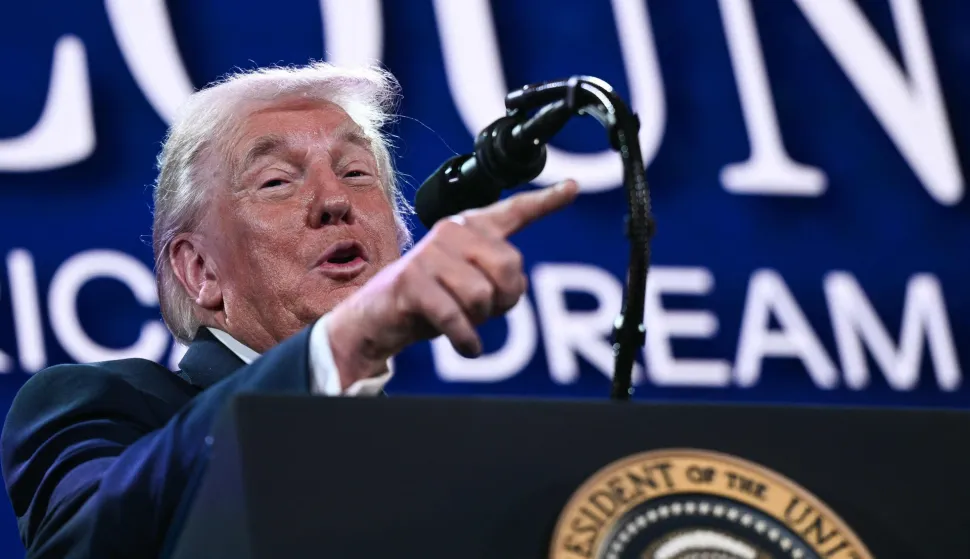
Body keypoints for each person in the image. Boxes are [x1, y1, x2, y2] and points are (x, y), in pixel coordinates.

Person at [0, 62, 578, 558]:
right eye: (276, 181)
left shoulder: (448, 467)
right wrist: (343, 344)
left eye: (357, 173)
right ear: (200, 270)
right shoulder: (99, 407)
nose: (335, 201)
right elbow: (86, 543)